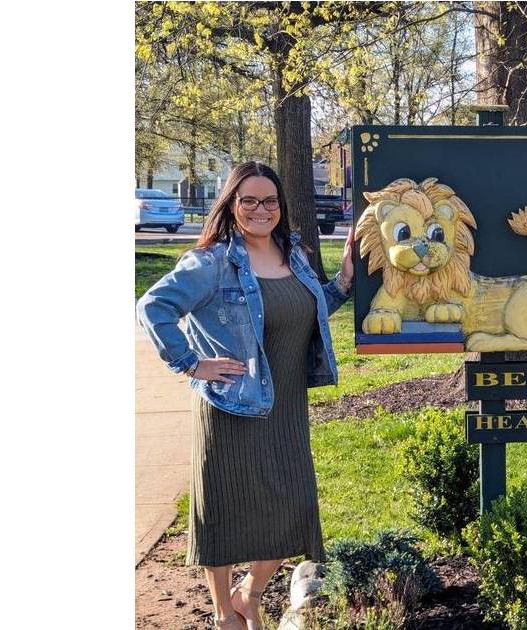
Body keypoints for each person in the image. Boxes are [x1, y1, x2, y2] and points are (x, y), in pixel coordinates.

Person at [137, 161, 355, 629]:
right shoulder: (212, 262)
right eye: (249, 200)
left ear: (281, 205)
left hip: (285, 406)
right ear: (231, 204)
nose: (261, 209)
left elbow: (305, 309)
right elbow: (153, 306)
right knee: (224, 510)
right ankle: (224, 614)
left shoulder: (292, 253)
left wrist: (341, 282)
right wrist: (191, 362)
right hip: (231, 405)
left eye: (269, 200)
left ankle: (248, 595)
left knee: (295, 506)